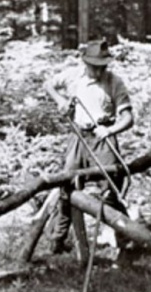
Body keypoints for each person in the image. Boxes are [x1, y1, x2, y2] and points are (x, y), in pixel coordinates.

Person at [44, 39, 134, 258]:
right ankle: (58, 239)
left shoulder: (114, 82)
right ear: (85, 63)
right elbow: (48, 84)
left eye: (103, 66)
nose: (99, 71)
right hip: (78, 136)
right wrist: (60, 101)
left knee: (110, 189)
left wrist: (111, 130)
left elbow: (128, 117)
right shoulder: (73, 75)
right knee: (67, 186)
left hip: (102, 137)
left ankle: (127, 241)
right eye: (95, 66)